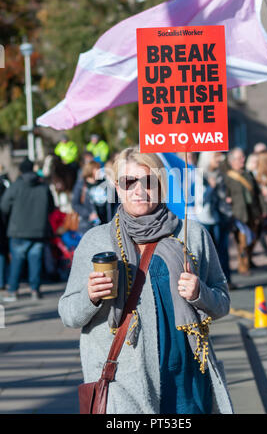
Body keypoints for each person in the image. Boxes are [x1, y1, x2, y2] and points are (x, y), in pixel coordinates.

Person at [58, 146, 233, 414]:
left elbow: (222, 302)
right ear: (117, 187)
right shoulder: (96, 240)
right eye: (129, 182)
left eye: (148, 181)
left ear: (161, 185)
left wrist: (201, 293)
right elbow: (69, 315)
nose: (139, 190)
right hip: (124, 385)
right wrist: (90, 296)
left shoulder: (191, 234)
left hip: (186, 382)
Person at [0, 158, 55, 301]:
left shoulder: (15, 186)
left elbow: (4, 207)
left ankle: (13, 290)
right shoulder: (43, 186)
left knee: (17, 261)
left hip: (18, 229)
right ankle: (35, 290)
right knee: (35, 260)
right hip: (38, 229)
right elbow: (51, 207)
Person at [196, 152, 235, 290]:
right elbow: (200, 199)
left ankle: (227, 280)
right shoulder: (200, 175)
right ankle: (209, 283)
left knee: (222, 250)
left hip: (218, 217)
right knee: (208, 253)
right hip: (204, 218)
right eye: (216, 157)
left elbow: (224, 194)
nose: (220, 159)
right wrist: (211, 188)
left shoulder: (219, 174)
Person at [225, 147, 267, 275]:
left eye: (243, 157)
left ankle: (248, 260)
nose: (243, 160)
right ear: (232, 161)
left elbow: (258, 193)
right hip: (239, 213)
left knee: (253, 238)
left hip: (253, 212)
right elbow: (225, 193)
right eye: (239, 158)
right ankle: (243, 266)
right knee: (242, 241)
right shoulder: (228, 177)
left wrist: (263, 208)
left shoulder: (248, 174)